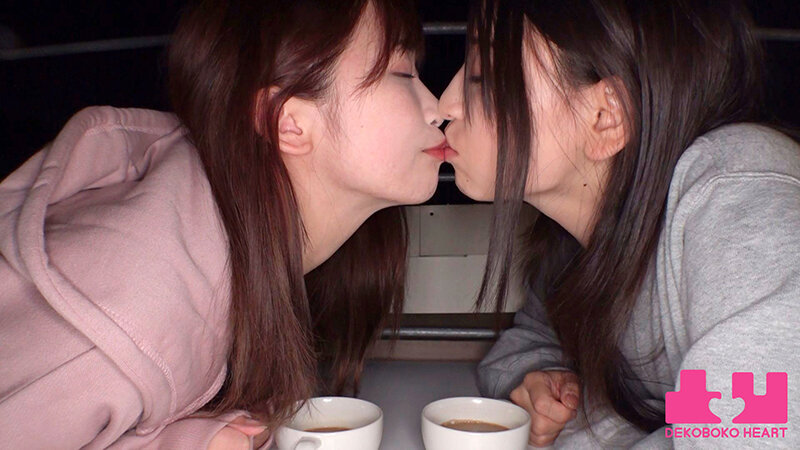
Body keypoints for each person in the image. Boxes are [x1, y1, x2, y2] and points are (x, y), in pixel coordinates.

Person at [0, 0, 446, 448]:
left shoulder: (254, 256)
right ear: (288, 123)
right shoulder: (130, 305)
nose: (437, 107)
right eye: (402, 73)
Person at [438, 0, 800, 447]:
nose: (446, 103)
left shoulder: (743, 207)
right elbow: (529, 341)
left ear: (606, 117)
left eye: (482, 76)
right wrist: (543, 384)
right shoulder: (583, 240)